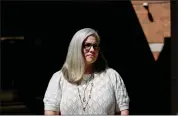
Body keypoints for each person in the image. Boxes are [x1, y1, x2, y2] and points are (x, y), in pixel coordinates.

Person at [43, 28, 130, 115]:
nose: (92, 50)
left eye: (95, 46)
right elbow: (51, 112)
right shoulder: (59, 78)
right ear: (76, 47)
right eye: (87, 45)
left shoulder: (112, 76)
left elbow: (122, 111)